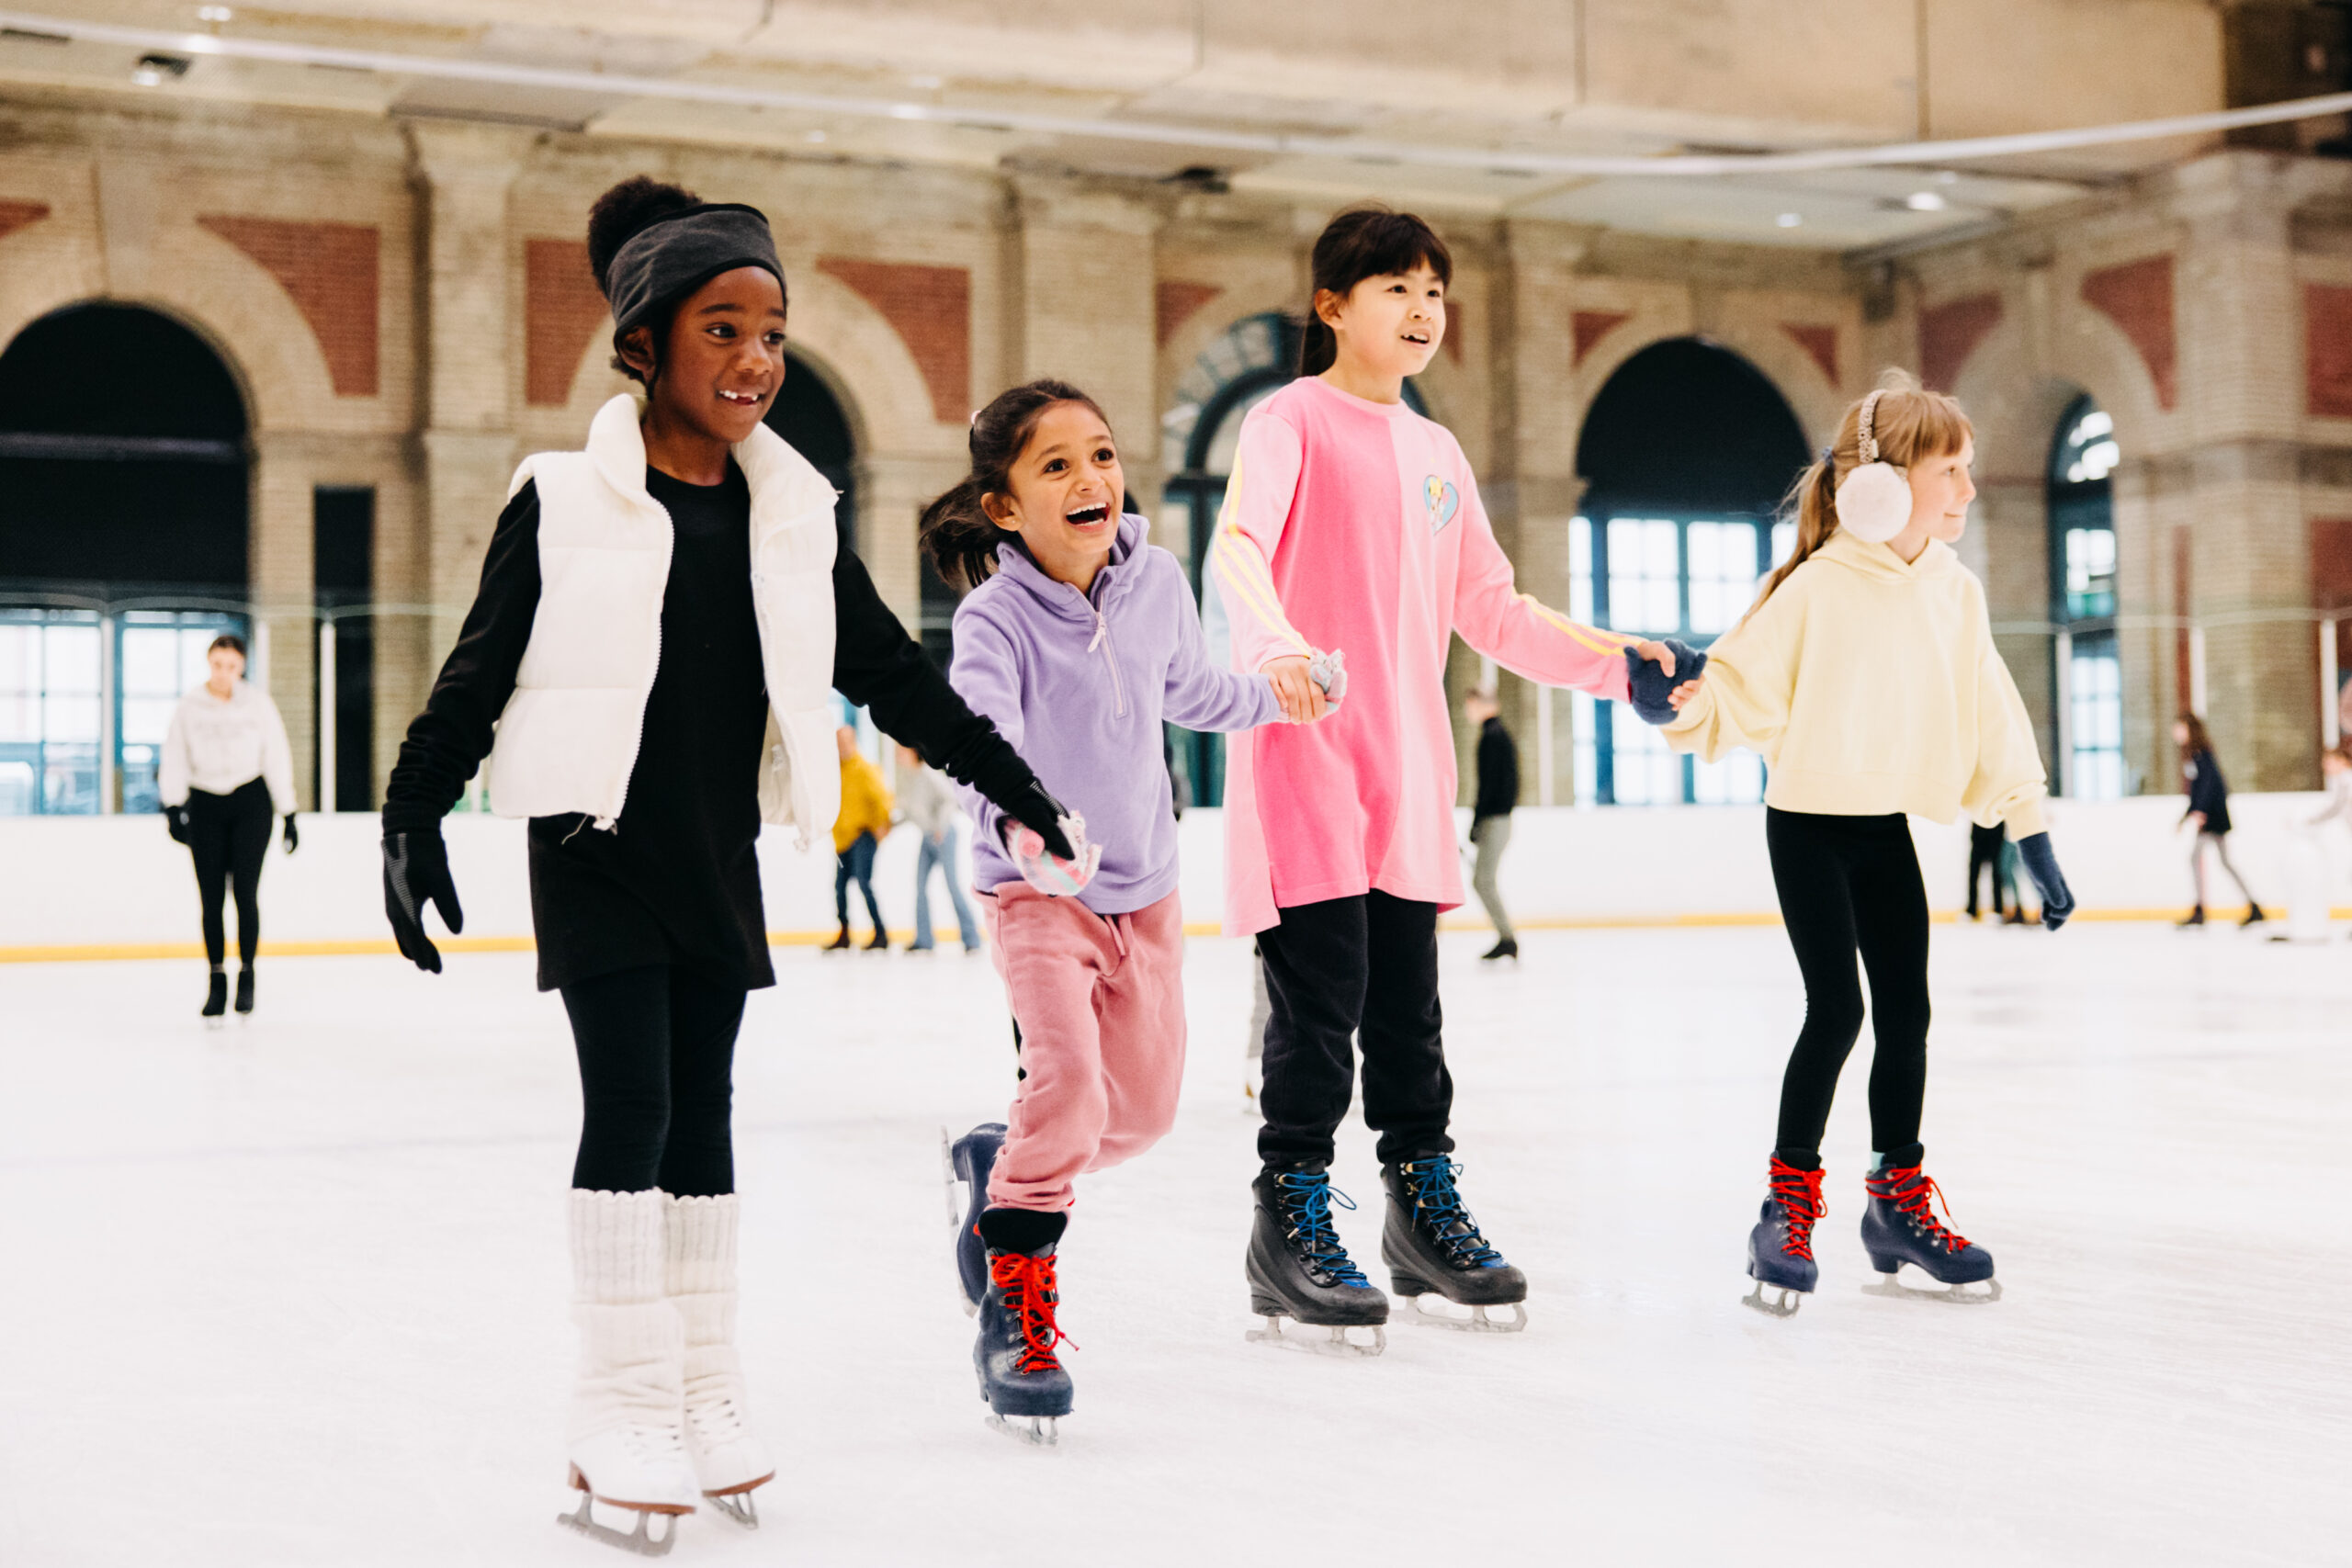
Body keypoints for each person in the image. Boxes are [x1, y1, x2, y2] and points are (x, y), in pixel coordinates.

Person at [376, 176, 1076, 1549]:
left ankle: (702, 1387)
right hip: (594, 842)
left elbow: (893, 676)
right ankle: (616, 1397)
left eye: (772, 330)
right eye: (722, 328)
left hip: (714, 848)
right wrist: (409, 809)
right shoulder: (560, 496)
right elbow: (478, 671)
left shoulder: (791, 512)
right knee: (630, 1106)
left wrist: (1016, 778)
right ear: (644, 342)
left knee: (706, 1116)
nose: (756, 358)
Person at [1209, 206, 1684, 1343]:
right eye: (1395, 290)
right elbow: (1235, 545)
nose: (1422, 311)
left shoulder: (1436, 452)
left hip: (1409, 769)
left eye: (1433, 292)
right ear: (1332, 306)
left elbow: (1490, 609)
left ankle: (1418, 1211)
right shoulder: (1291, 422)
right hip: (1308, 752)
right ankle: (1291, 1219)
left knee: (1410, 1021)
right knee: (1315, 1015)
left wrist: (1618, 664)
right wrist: (1275, 649)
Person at [929, 379, 1318, 1439]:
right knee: (1062, 1086)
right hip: (1034, 893)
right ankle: (1016, 1309)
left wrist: (1279, 686)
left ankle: (996, 1163)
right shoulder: (992, 619)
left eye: (1100, 454)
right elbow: (979, 740)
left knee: (1132, 1119)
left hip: (1145, 888)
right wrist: (1027, 827)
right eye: (1055, 465)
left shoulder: (1154, 583)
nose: (1091, 478)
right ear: (1004, 506)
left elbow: (1191, 691)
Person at [1654, 374, 2075, 1317]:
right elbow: (1734, 687)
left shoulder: (1950, 593)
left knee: (1908, 1016)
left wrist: (2028, 828)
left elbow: (1991, 710)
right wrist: (1677, 703)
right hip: (1806, 825)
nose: (1967, 491)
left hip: (1881, 828)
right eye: (1951, 472)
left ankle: (1895, 1202)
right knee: (1835, 1010)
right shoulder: (1817, 588)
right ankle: (1787, 1204)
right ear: (1882, 486)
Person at [158, 632, 298, 1020]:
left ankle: (248, 975)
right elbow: (174, 756)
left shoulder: (258, 705)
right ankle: (217, 979)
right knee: (211, 898)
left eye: (231, 666)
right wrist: (172, 806)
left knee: (246, 893)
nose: (224, 673)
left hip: (250, 802)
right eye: (217, 665)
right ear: (209, 663)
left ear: (242, 667)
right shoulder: (189, 707)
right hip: (205, 805)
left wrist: (288, 813)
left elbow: (277, 757)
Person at [2176, 712, 2265, 928]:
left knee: (2197, 858)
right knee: (2222, 861)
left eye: (2179, 728)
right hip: (2209, 815)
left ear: (2189, 729)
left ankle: (2201, 910)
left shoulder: (2201, 754)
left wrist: (2200, 812)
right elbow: (2198, 791)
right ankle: (2253, 906)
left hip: (2212, 817)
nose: (2175, 733)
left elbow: (2210, 785)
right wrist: (2187, 815)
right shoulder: (2195, 755)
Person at [898, 742, 981, 953]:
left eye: (902, 751)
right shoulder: (909, 778)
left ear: (913, 752)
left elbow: (949, 799)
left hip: (943, 835)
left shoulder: (928, 773)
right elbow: (912, 812)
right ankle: (924, 940)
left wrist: (940, 827)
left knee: (952, 885)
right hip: (927, 836)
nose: (898, 755)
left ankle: (972, 939)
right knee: (920, 887)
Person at [1464, 686, 1520, 962]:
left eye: (1470, 705)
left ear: (1484, 704)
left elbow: (1490, 787)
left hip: (1495, 819)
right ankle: (1506, 937)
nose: (1467, 711)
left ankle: (1507, 938)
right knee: (1482, 880)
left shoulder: (1492, 737)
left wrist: (1477, 822)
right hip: (1497, 818)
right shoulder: (1496, 735)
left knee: (1482, 880)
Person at [828, 726, 893, 951]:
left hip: (862, 835)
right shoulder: (836, 771)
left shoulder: (864, 768)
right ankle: (844, 934)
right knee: (839, 887)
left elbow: (882, 798)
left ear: (853, 741)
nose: (841, 746)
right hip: (842, 839)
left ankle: (881, 933)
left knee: (864, 883)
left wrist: (882, 825)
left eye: (845, 741)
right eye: (838, 742)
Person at [1963, 819, 2024, 924]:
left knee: (1997, 876)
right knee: (1973, 876)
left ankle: (1998, 910)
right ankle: (1971, 910)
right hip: (1978, 838)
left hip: (1995, 838)